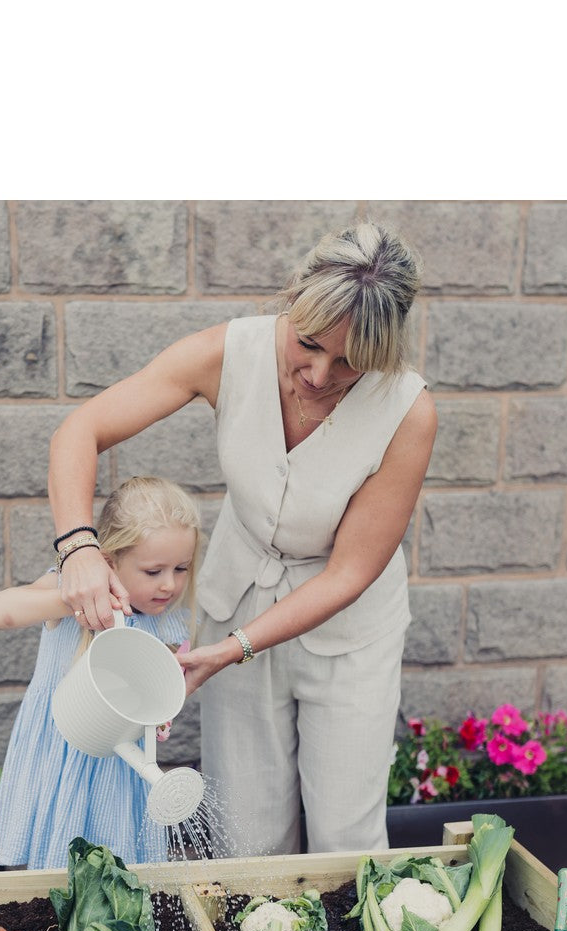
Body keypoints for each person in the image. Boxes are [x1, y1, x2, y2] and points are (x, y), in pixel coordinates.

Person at [48, 222, 435, 858]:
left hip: (349, 629)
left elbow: (348, 573)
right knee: (248, 836)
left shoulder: (408, 411)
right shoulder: (226, 353)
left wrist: (233, 650)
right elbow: (80, 430)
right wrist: (80, 548)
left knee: (347, 835)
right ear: (292, 300)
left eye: (349, 362)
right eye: (308, 344)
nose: (318, 374)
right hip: (236, 596)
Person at [0, 475, 201, 870]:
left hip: (118, 766)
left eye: (181, 568)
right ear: (110, 562)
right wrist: (77, 598)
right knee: (55, 870)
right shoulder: (69, 591)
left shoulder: (164, 621)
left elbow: (158, 691)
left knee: (114, 867)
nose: (169, 584)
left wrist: (162, 711)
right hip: (60, 752)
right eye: (153, 571)